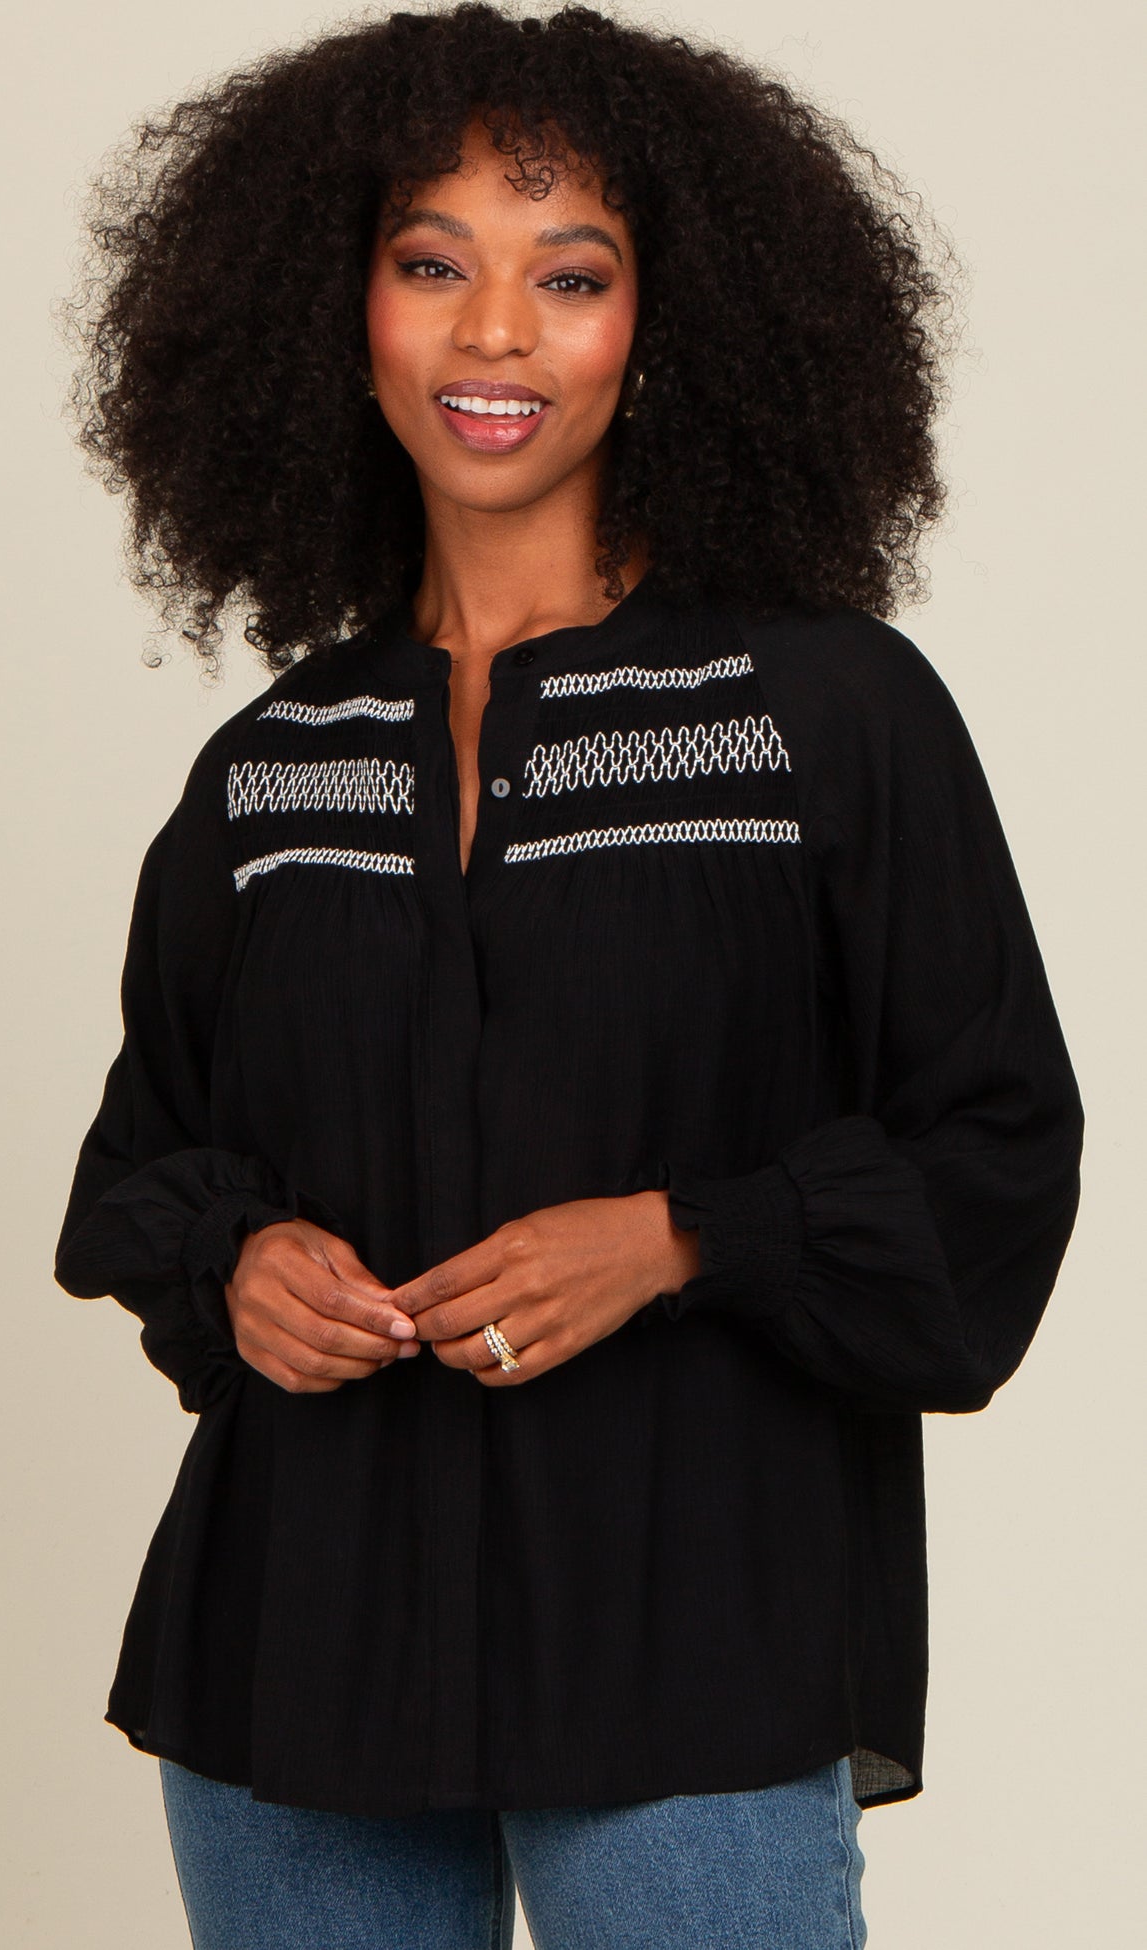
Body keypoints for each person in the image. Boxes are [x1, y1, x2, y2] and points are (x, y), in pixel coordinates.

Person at [52, 6, 1085, 1945]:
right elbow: (145, 1158)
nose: (497, 334)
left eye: (572, 275)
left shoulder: (825, 715)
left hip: (687, 1636)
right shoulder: (272, 766)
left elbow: (994, 1147)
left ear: (664, 323)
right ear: (341, 311)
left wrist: (681, 1235)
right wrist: (242, 1264)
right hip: (304, 1645)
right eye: (433, 263)